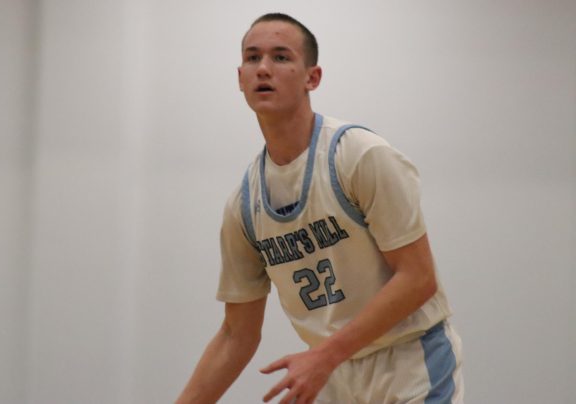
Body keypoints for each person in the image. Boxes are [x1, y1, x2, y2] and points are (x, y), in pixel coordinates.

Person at [176, 12, 464, 404]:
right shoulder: (244, 206)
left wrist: (325, 355)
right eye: (252, 57)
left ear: (312, 77)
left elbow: (417, 277)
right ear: (239, 78)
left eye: (280, 57)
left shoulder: (360, 157)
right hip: (330, 371)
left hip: (409, 361)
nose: (263, 68)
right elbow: (236, 334)